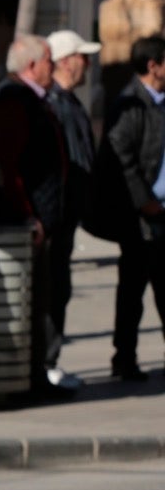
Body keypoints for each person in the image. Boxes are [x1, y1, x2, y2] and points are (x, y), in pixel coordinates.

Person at [0, 32, 71, 403]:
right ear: (32, 65)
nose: (55, 66)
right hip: (19, 227)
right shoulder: (14, 99)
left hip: (29, 224)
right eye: (49, 60)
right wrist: (28, 217)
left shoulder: (26, 98)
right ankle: (25, 382)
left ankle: (33, 379)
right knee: (26, 306)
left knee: (36, 304)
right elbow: (6, 166)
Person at [95, 34, 165, 382]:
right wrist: (145, 202)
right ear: (154, 66)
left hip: (161, 212)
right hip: (141, 218)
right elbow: (122, 159)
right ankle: (124, 359)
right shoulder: (129, 104)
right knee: (133, 293)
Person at [43, 29, 101, 391]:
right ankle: (47, 362)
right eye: (83, 57)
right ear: (66, 62)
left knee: (59, 288)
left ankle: (51, 359)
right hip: (58, 216)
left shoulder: (70, 102)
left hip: (68, 216)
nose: (89, 63)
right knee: (52, 289)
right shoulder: (55, 104)